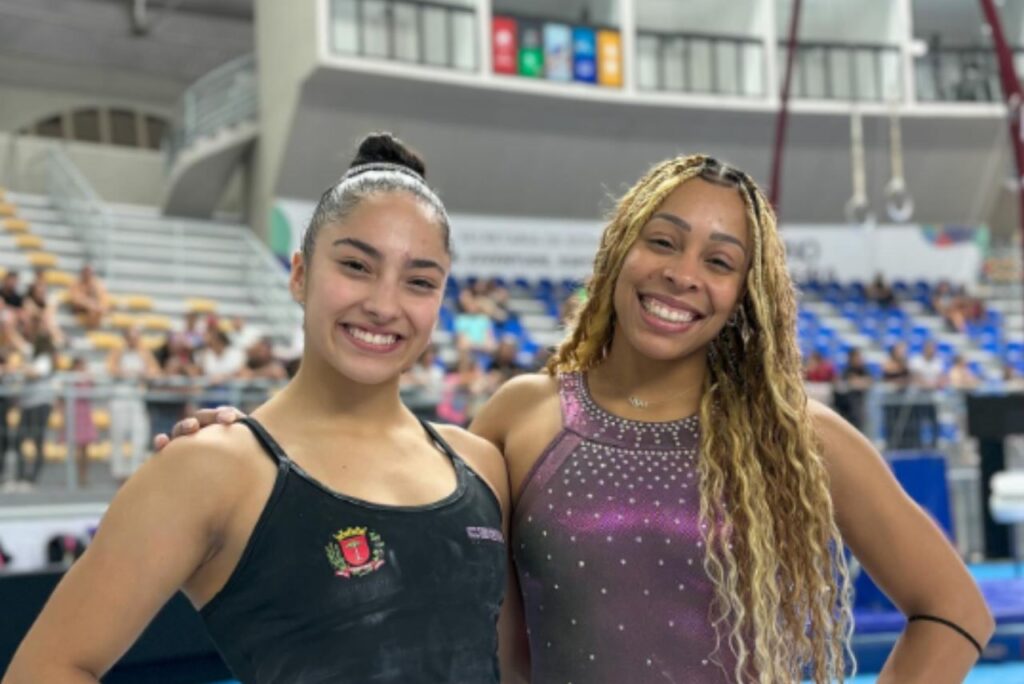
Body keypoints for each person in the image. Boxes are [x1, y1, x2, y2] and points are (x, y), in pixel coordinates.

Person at [159, 154, 993, 682]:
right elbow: (395, 497)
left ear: (746, 296)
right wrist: (252, 441)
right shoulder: (522, 417)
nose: (681, 275)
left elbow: (955, 610)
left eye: (719, 261)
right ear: (620, 248)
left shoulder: (796, 434)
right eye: (662, 242)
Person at [2, 134, 514, 684]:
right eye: (356, 266)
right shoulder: (212, 468)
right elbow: (47, 669)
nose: (384, 305)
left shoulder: (480, 464)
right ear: (299, 274)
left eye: (418, 281)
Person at [106, 327, 160, 483]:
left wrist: (143, 374)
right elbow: (111, 369)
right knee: (118, 436)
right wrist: (126, 373)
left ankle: (134, 471)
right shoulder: (118, 351)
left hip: (136, 398)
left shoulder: (143, 353)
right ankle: (119, 472)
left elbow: (154, 371)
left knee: (139, 435)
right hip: (119, 398)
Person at [13, 331, 57, 490]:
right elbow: (18, 342)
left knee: (37, 440)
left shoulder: (45, 359)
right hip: (27, 404)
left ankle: (32, 477)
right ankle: (20, 475)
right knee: (19, 439)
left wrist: (21, 368)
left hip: (40, 404)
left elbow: (35, 373)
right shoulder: (33, 355)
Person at [66, 264, 110, 330]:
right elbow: (76, 300)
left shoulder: (97, 283)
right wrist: (91, 304)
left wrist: (97, 306)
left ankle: (92, 332)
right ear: (82, 274)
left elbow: (103, 300)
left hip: (94, 309)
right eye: (86, 273)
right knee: (94, 310)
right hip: (79, 309)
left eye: (90, 273)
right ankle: (91, 332)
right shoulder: (76, 283)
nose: (87, 275)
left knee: (96, 312)